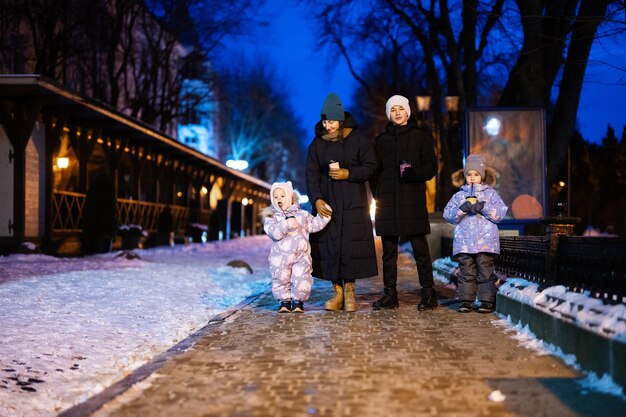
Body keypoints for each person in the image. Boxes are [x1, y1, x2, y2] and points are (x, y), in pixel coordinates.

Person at [306, 93, 378, 312]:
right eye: (325, 121)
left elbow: (371, 166)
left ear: (341, 119)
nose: (327, 125)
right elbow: (311, 174)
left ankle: (350, 292)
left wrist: (348, 173)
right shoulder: (317, 143)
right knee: (329, 246)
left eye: (331, 121)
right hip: (328, 203)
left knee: (350, 246)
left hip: (353, 202)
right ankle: (337, 292)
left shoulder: (358, 139)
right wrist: (317, 199)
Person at [370, 95, 438, 311]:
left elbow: (431, 167)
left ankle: (428, 293)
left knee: (420, 250)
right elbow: (374, 172)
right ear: (389, 114)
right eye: (393, 110)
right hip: (388, 203)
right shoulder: (380, 141)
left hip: (413, 202)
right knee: (388, 253)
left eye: (401, 109)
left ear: (407, 112)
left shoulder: (420, 137)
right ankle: (390, 295)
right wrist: (379, 192)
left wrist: (413, 173)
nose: (397, 113)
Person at [443, 154, 508, 313]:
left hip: (485, 242)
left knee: (485, 272)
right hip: (464, 243)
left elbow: (500, 213)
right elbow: (448, 215)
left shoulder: (490, 194)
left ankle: (486, 301)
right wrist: (462, 209)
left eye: (476, 174)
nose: (472, 178)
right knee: (466, 272)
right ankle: (466, 300)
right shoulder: (459, 196)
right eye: (469, 174)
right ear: (465, 176)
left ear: (482, 176)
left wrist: (483, 207)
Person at [261, 181, 331, 313]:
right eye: (275, 197)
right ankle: (284, 302)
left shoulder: (302, 215)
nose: (279, 199)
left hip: (301, 255)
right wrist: (286, 224)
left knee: (301, 277)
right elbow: (274, 233)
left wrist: (325, 216)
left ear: (290, 197)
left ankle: (298, 302)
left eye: (282, 196)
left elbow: (313, 225)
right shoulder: (271, 217)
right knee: (281, 277)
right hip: (280, 257)